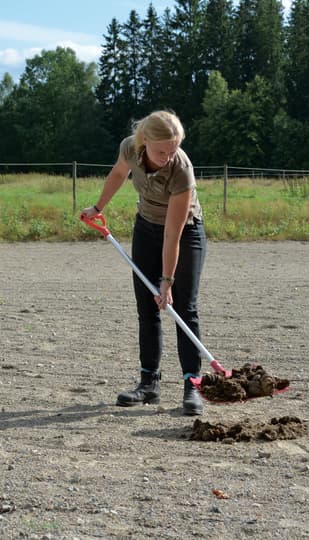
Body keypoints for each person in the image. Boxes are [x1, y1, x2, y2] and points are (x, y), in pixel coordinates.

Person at [81, 110, 206, 416]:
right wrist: (97, 207)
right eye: (161, 150)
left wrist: (167, 281)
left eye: (173, 149)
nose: (168, 156)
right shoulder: (130, 147)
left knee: (182, 308)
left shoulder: (181, 169)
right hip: (147, 228)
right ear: (145, 140)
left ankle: (193, 385)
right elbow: (117, 174)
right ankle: (148, 384)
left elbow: (173, 235)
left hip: (184, 233)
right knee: (146, 308)